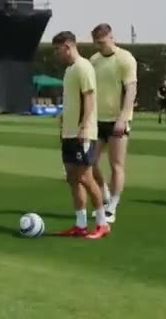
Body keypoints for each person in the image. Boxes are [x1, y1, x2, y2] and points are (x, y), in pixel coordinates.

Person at [51, 31, 110, 239]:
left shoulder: (84, 67)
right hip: (68, 132)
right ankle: (81, 224)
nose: (56, 54)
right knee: (72, 178)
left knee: (86, 177)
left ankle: (102, 223)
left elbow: (89, 98)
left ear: (68, 46)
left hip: (82, 133)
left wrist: (85, 126)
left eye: (58, 50)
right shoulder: (70, 70)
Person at [88, 24, 138, 221]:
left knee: (116, 164)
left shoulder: (125, 58)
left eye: (102, 41)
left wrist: (123, 117)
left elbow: (131, 89)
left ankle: (113, 207)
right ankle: (105, 194)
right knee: (90, 162)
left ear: (111, 37)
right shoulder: (94, 60)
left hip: (117, 120)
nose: (100, 45)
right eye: (97, 42)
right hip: (97, 119)